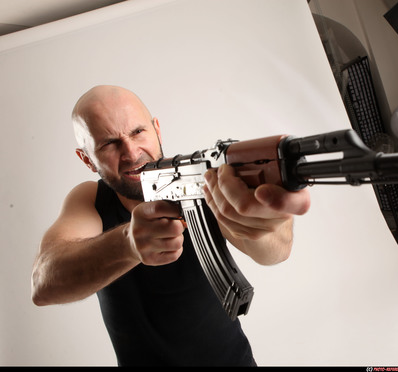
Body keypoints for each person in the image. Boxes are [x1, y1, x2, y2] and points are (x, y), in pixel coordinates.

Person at [31, 85, 311, 366]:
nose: (130, 152)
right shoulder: (90, 200)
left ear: (157, 130)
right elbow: (44, 284)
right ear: (87, 159)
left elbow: (275, 252)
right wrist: (127, 243)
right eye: (109, 144)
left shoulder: (201, 179)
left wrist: (269, 220)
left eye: (138, 132)